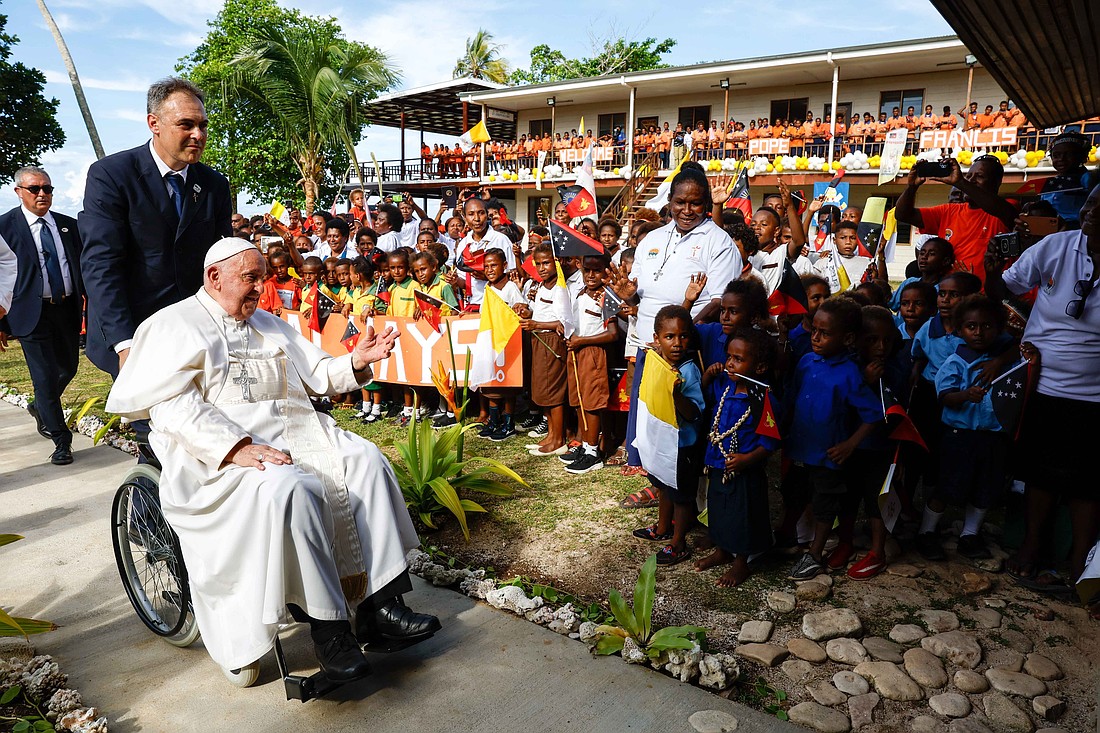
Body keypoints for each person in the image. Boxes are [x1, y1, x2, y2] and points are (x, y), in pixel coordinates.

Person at [105, 238, 439, 683]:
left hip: (296, 434)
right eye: (251, 278)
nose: (261, 289)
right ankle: (331, 633)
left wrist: (356, 362)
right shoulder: (174, 325)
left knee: (366, 460)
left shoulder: (268, 322)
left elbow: (318, 374)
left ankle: (381, 607)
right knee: (291, 486)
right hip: (216, 457)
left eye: (262, 277)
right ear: (214, 277)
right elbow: (172, 408)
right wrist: (235, 447)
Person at [986, 184, 1100, 595]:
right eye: (1090, 203)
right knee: (1040, 473)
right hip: (1043, 383)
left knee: (1089, 481)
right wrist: (991, 269)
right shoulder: (1056, 246)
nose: (1091, 212)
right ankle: (1032, 546)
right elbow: (1006, 289)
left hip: (1095, 396)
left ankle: (1080, 561)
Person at [79, 77, 232, 377]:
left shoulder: (214, 185)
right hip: (138, 335)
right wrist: (125, 345)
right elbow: (101, 265)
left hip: (198, 336)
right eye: (186, 125)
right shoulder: (111, 176)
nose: (198, 135)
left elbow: (222, 260)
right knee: (152, 425)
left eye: (203, 125)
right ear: (154, 123)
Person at [608, 162, 740, 485]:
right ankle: (657, 484)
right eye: (680, 202)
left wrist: (676, 338)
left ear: (707, 204)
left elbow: (718, 302)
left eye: (695, 202)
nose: (686, 209)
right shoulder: (651, 240)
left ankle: (681, 493)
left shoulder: (718, 241)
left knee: (683, 423)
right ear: (669, 200)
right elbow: (640, 297)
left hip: (689, 349)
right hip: (649, 346)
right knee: (652, 419)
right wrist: (630, 297)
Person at [784, 297, 883, 580]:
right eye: (813, 330)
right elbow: (795, 398)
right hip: (801, 446)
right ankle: (792, 535)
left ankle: (814, 553)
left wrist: (850, 445)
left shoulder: (851, 374)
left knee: (826, 502)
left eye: (825, 333)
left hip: (827, 455)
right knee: (796, 493)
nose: (815, 337)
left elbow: (874, 415)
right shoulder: (806, 361)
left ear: (848, 338)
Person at [0, 167, 83, 465]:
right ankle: (61, 439)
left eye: (47, 189)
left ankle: (41, 406)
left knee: (68, 368)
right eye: (35, 189)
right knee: (45, 377)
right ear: (19, 191)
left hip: (65, 309)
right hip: (28, 313)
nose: (42, 194)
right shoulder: (4, 227)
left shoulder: (67, 226)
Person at [695, 327, 779, 587]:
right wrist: (708, 377)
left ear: (760, 366)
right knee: (718, 508)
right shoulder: (724, 386)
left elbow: (771, 441)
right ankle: (721, 549)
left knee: (744, 513)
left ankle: (742, 560)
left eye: (739, 359)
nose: (730, 363)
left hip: (745, 468)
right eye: (729, 356)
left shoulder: (763, 398)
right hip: (717, 463)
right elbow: (703, 400)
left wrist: (747, 459)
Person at [631, 305, 705, 566]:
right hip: (661, 442)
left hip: (682, 445)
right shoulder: (656, 363)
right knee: (662, 484)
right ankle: (662, 527)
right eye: (669, 337)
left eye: (683, 336)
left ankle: (678, 542)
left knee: (682, 495)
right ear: (656, 339)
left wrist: (675, 395)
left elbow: (695, 413)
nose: (676, 343)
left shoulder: (688, 371)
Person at [894, 155, 1016, 282]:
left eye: (979, 176)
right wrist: (912, 187)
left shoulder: (1005, 208)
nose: (971, 180)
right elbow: (903, 214)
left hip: (985, 298)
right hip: (948, 295)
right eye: (968, 176)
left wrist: (961, 182)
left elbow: (1005, 211)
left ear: (996, 183)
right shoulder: (948, 211)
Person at [561, 254, 618, 474]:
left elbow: (612, 334)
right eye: (587, 270)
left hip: (592, 352)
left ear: (606, 271)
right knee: (579, 401)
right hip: (575, 350)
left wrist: (582, 341)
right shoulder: (580, 293)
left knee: (592, 402)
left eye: (596, 270)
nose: (591, 275)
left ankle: (593, 452)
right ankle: (585, 445)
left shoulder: (606, 296)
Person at [1039, 131, 1099, 226]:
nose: (1061, 159)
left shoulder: (1089, 179)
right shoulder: (1049, 184)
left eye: (1068, 155)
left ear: (1082, 157)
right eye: (1056, 155)